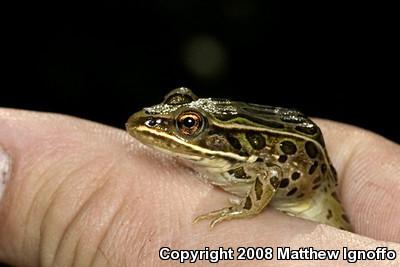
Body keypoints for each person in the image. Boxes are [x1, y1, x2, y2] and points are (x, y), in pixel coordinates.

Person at [0, 108, 399, 266]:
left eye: (187, 124)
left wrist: (244, 211)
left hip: (315, 192)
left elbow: (271, 173)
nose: (170, 127)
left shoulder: (250, 163)